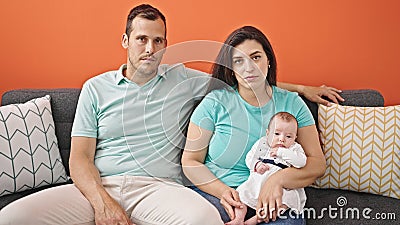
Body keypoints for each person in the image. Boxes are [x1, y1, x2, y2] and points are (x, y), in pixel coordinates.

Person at [0, 4, 342, 225]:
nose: (150, 48)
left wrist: (303, 90)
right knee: (13, 217)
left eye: (158, 41)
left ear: (166, 44)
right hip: (99, 187)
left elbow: (244, 76)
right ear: (126, 40)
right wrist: (103, 203)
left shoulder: (182, 79)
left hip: (159, 189)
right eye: (141, 39)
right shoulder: (96, 88)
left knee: (204, 219)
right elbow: (80, 159)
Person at [181, 26, 327, 225]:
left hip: (276, 198)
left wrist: (277, 180)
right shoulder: (214, 103)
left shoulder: (292, 104)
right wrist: (222, 191)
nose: (248, 68)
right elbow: (190, 161)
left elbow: (317, 163)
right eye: (238, 61)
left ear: (268, 60)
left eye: (255, 57)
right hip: (220, 196)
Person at [228, 112, 307, 225]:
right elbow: (250, 157)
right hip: (258, 180)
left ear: (295, 137)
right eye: (276, 134)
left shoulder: (295, 148)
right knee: (241, 194)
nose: (282, 139)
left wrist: (281, 152)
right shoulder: (263, 143)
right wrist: (256, 164)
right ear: (268, 133)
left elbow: (301, 162)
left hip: (282, 188)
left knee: (283, 203)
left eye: (288, 136)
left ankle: (254, 220)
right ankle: (238, 219)